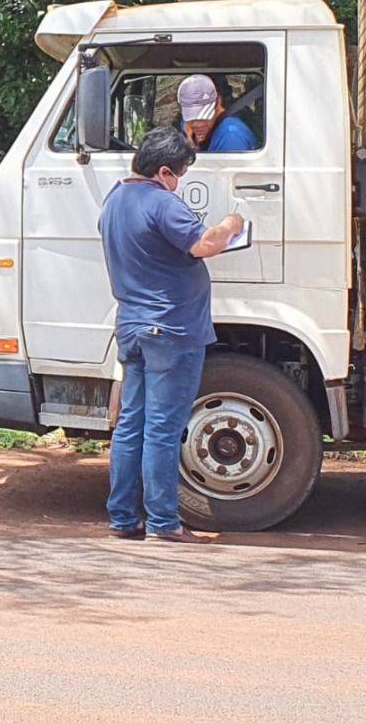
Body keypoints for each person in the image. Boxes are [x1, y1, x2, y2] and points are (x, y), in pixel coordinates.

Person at [98, 126, 244, 544]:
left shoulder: (115, 199)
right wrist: (232, 223)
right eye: (178, 173)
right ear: (163, 171)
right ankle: (164, 522)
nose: (179, 182)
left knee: (131, 425)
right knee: (162, 429)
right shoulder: (162, 203)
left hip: (132, 326)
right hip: (172, 329)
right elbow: (205, 243)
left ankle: (124, 518)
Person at [177, 74, 256, 152]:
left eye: (203, 116)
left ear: (218, 101)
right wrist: (190, 139)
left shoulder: (231, 137)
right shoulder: (187, 127)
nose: (198, 124)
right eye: (192, 117)